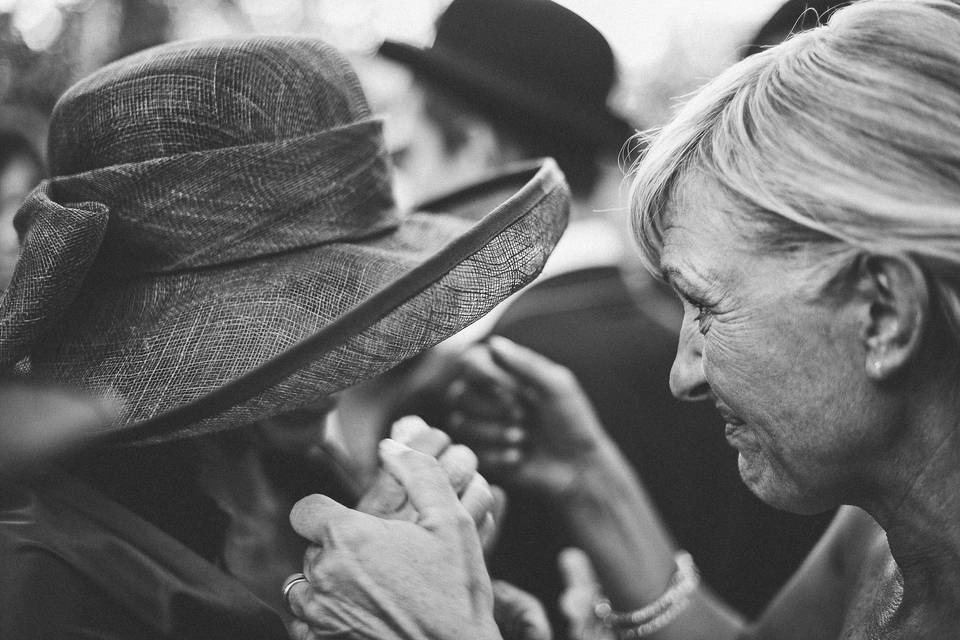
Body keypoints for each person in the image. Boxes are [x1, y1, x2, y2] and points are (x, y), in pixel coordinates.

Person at [282, 0, 960, 638]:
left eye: (706, 307)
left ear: (885, 313)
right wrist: (591, 481)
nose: (683, 375)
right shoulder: (873, 538)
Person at [0, 36, 569, 639]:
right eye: (270, 324)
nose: (334, 369)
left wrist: (454, 597)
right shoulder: (52, 576)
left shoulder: (297, 471)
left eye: (346, 305)